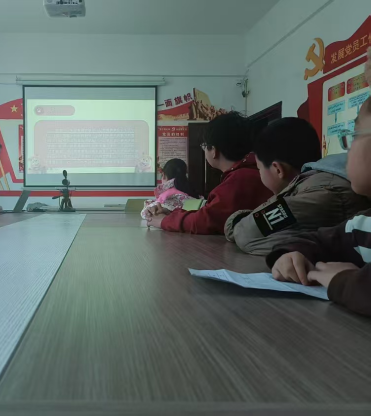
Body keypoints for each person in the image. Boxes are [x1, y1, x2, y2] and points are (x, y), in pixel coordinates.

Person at [265, 48, 371, 316]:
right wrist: (290, 253)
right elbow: (317, 240)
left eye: (355, 135)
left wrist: (344, 282)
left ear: (276, 168)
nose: (347, 148)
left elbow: (252, 230)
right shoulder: (363, 224)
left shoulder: (322, 189)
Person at [225, 118, 370, 255]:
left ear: (278, 169)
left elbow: (247, 233)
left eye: (259, 168)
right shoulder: (318, 184)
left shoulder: (324, 192)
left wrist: (240, 220)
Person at [146, 112, 273, 234]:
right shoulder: (249, 171)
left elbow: (205, 221)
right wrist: (170, 214)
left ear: (214, 151)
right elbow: (212, 214)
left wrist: (164, 221)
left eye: (204, 146)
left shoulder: (240, 179)